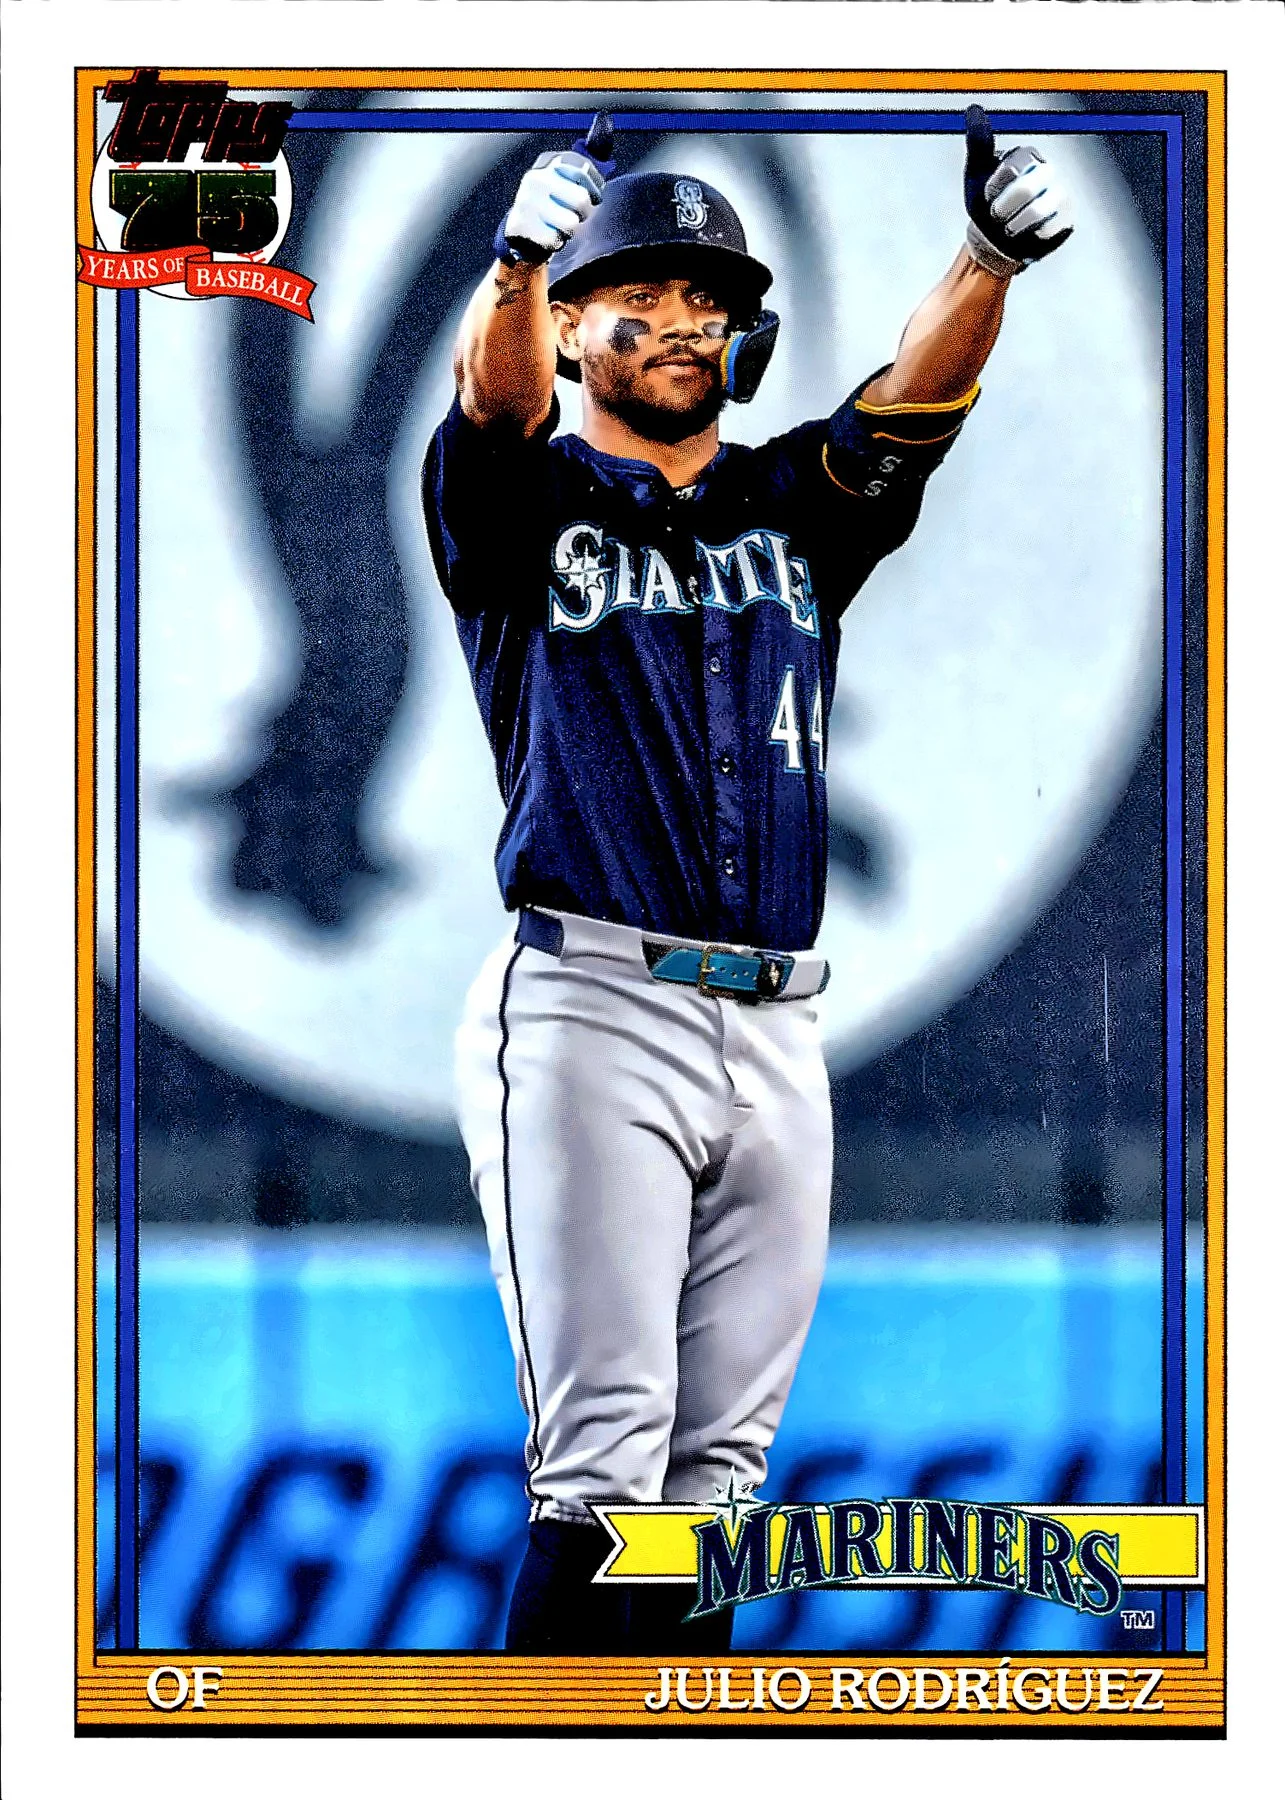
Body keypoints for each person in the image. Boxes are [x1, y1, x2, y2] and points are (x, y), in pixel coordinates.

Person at [422, 107, 1072, 1653]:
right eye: (638, 293)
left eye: (707, 298)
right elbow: (487, 409)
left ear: (745, 332)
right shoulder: (528, 503)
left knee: (710, 1500)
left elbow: (913, 402)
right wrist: (515, 265)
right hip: (594, 1002)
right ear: (572, 327)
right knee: (602, 1473)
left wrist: (985, 258)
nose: (678, 319)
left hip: (779, 1026)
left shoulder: (791, 506)